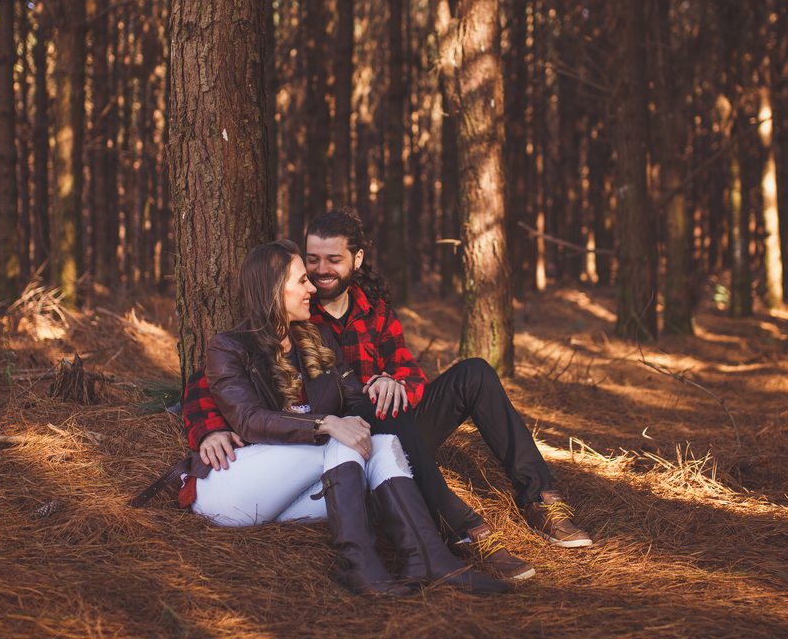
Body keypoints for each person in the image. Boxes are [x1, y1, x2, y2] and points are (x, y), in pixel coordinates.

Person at [188, 211, 592, 583]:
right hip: (343, 439)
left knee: (474, 373)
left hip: (385, 424)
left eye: (333, 259)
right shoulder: (293, 310)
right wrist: (208, 430)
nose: (320, 271)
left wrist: (392, 383)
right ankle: (461, 530)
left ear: (356, 260)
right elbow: (211, 379)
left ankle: (540, 499)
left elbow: (409, 373)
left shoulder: (373, 310)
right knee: (375, 410)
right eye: (312, 260)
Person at [173, 240, 506, 596]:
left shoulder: (317, 340)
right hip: (232, 486)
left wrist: (381, 387)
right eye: (302, 281)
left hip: (294, 492)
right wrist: (325, 423)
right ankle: (359, 566)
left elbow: (356, 402)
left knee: (384, 444)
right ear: (273, 289)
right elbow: (249, 419)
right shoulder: (228, 347)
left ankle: (427, 558)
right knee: (340, 439)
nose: (312, 288)